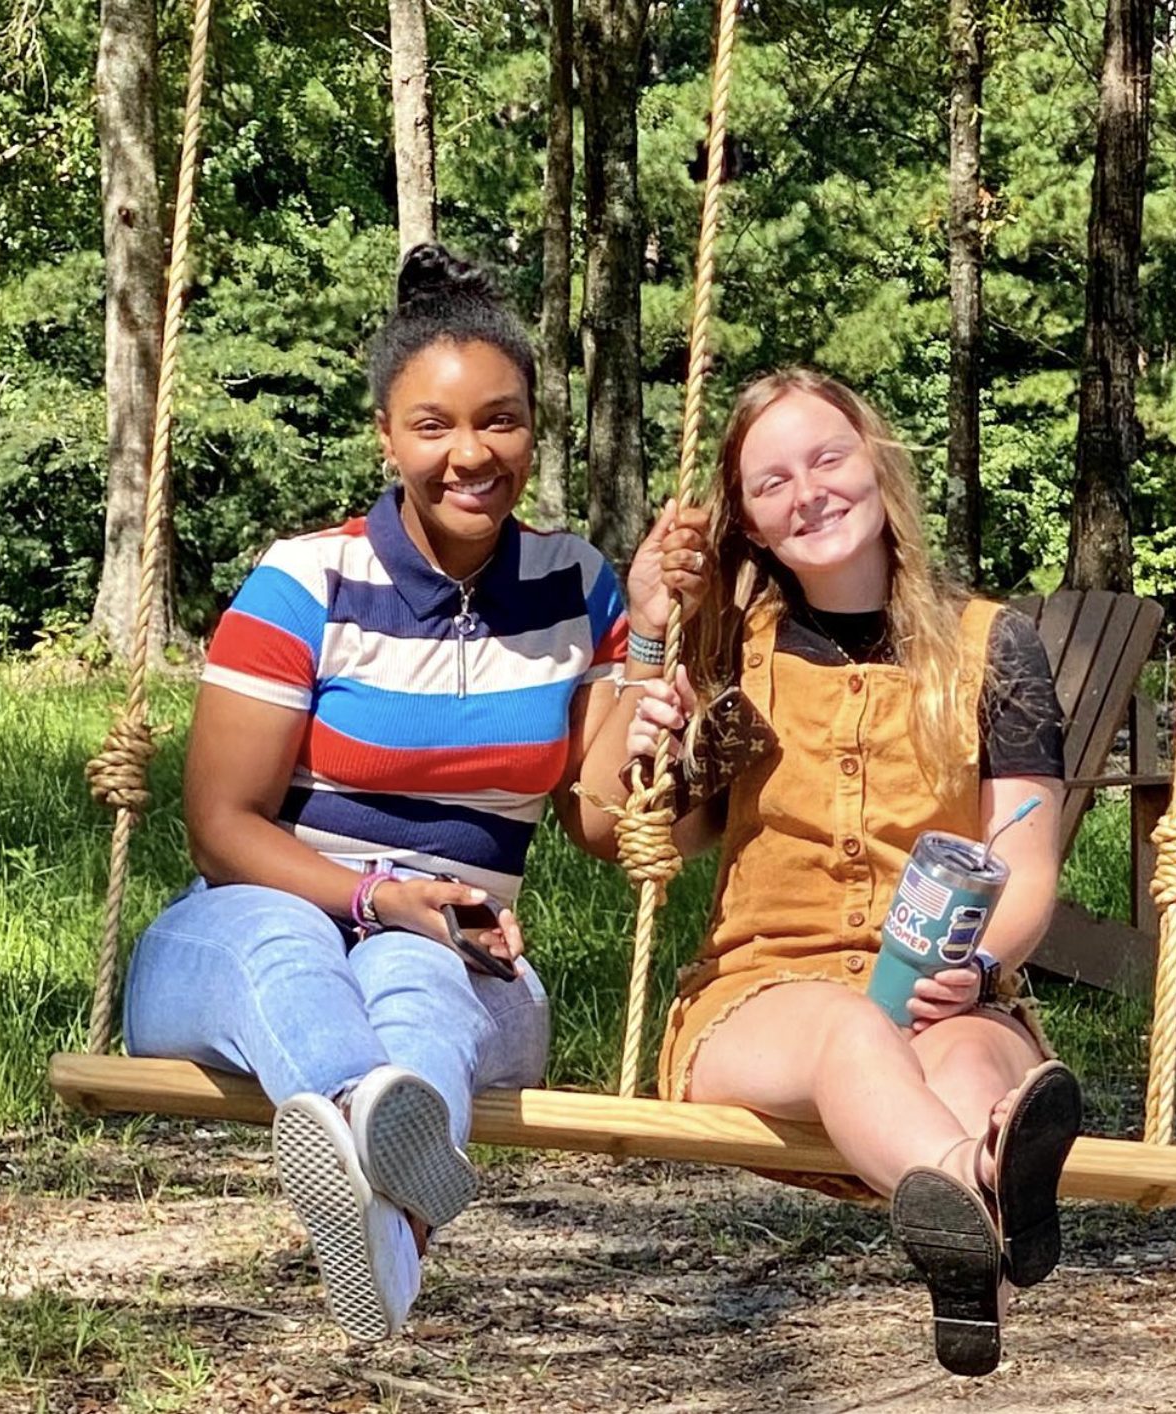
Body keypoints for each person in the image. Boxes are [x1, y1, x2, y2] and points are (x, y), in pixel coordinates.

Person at [122, 244, 707, 1341]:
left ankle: (379, 1222)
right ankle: (385, 1140)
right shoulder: (306, 581)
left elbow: (594, 818)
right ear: (386, 435)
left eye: (502, 421)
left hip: (462, 958)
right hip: (248, 935)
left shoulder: (577, 585)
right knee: (290, 941)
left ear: (535, 428)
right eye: (433, 426)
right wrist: (384, 892)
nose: (471, 454)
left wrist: (650, 642)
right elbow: (218, 829)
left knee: (416, 971)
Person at [614, 369, 1082, 1377]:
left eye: (826, 458)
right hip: (760, 1001)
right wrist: (647, 649)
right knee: (854, 1026)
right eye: (771, 481)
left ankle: (968, 1264)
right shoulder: (735, 648)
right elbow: (641, 828)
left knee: (967, 1064)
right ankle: (974, 1191)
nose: (808, 492)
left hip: (950, 993)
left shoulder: (990, 649)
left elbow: (1025, 862)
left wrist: (984, 965)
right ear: (748, 517)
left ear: (877, 464)